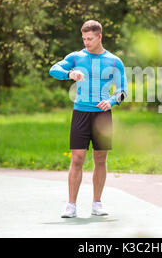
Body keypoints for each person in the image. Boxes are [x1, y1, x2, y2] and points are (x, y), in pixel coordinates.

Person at [49, 20, 128, 218]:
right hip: (80, 113)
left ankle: (97, 203)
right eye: (84, 38)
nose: (86, 42)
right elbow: (53, 69)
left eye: (90, 39)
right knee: (77, 158)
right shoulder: (76, 57)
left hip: (102, 115)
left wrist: (111, 102)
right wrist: (70, 73)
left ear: (99, 37)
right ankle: (71, 205)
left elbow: (123, 91)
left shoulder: (113, 61)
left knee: (100, 159)